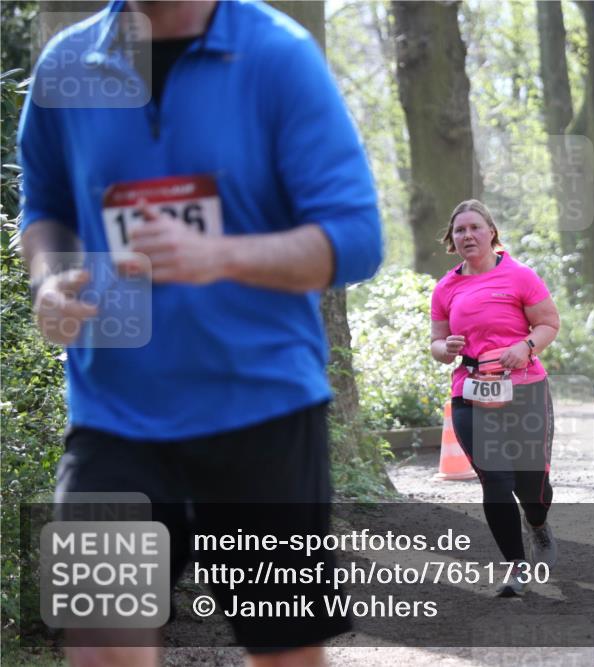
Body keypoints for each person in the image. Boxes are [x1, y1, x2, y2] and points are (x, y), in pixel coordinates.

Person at [18, 1, 382, 665]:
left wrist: (221, 255)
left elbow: (357, 239)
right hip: (114, 415)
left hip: (261, 410)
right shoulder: (67, 64)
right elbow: (45, 210)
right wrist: (50, 279)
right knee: (100, 645)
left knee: (283, 652)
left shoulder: (278, 55)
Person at [429, 200, 560, 597]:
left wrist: (526, 346)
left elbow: (549, 323)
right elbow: (435, 342)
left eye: (474, 227)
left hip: (525, 389)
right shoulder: (446, 287)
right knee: (496, 481)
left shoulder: (520, 276)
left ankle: (537, 524)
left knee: (533, 486)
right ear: (452, 241)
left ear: (491, 232)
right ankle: (516, 566)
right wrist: (445, 347)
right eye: (459, 230)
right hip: (470, 391)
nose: (467, 235)